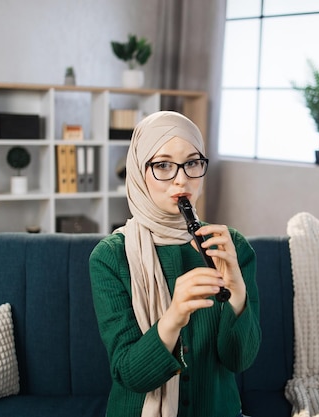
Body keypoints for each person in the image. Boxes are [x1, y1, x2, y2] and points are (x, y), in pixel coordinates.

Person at [89, 111, 261, 417]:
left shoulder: (231, 246)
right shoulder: (109, 257)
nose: (182, 179)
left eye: (193, 163)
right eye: (163, 165)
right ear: (139, 173)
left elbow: (240, 361)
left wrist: (237, 291)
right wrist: (174, 316)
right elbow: (130, 374)